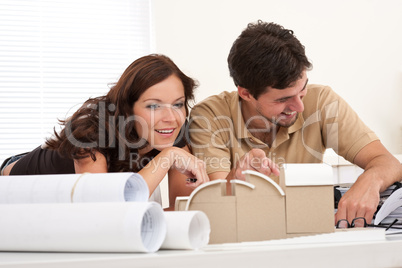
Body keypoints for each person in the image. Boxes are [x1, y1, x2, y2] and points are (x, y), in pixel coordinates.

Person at [188, 21, 402, 225]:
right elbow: (217, 202)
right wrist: (236, 179)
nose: (299, 107)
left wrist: (370, 180)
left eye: (302, 91)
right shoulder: (209, 116)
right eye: (283, 99)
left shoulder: (321, 101)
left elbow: (388, 163)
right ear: (246, 93)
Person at [1, 54, 209, 209]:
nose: (171, 118)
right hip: (13, 187)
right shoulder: (91, 131)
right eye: (153, 106)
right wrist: (168, 156)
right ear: (128, 108)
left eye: (178, 104)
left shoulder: (171, 129)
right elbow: (106, 211)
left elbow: (182, 209)